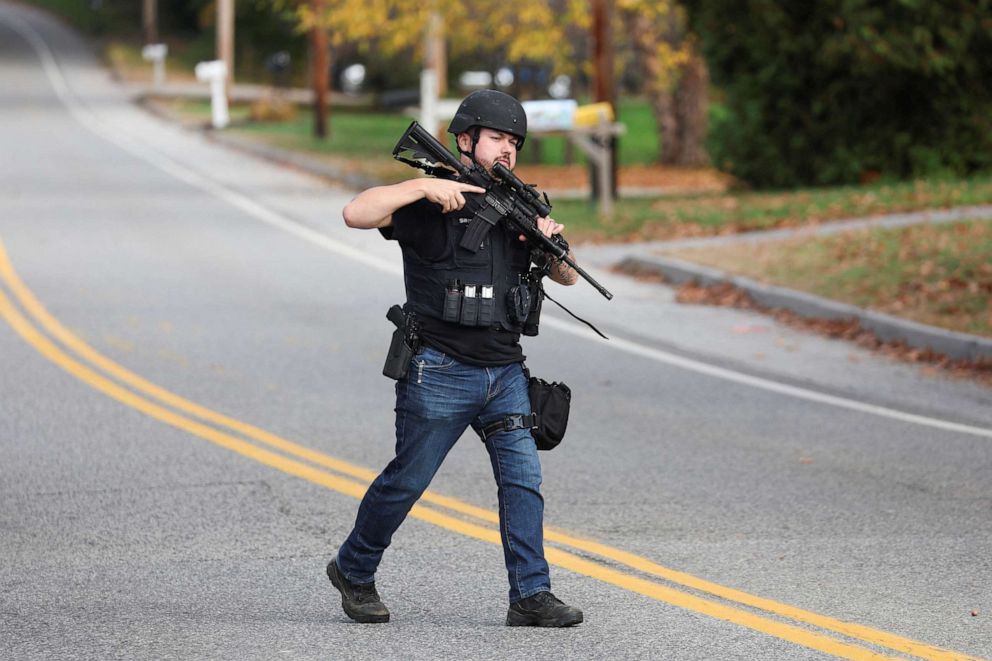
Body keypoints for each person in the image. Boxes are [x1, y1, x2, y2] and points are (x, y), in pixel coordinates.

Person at [328, 89, 583, 628]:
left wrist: (552, 244)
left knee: (522, 481)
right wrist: (420, 185)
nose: (507, 150)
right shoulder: (430, 201)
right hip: (439, 369)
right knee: (407, 481)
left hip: (505, 373)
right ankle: (353, 568)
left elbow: (568, 277)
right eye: (497, 138)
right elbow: (355, 213)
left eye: (515, 141)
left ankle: (531, 594)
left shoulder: (521, 208)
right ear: (466, 140)